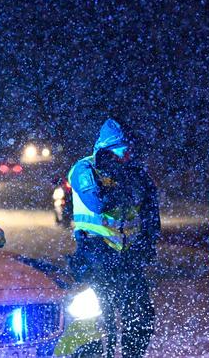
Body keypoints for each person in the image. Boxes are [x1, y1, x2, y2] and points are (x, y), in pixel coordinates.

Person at [68, 119, 160, 358]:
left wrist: (147, 244)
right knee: (98, 323)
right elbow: (97, 203)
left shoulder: (135, 172)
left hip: (128, 256)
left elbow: (151, 213)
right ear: (108, 147)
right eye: (123, 149)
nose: (129, 154)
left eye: (131, 148)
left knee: (141, 316)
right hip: (95, 254)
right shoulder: (85, 169)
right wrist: (125, 185)